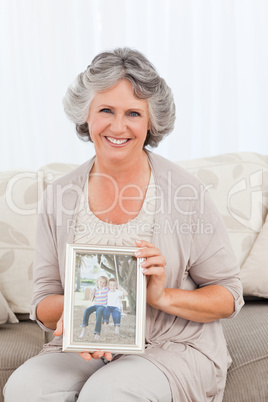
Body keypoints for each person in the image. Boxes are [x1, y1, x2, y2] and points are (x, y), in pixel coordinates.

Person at [4, 47, 244, 402]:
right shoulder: (59, 195)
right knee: (25, 389)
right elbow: (42, 302)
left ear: (151, 122)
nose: (118, 126)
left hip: (170, 347)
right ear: (86, 116)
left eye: (133, 113)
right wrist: (80, 312)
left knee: (108, 394)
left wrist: (160, 296)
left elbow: (228, 296)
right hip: (83, 346)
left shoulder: (187, 193)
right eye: (106, 110)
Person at [79, 275, 108, 340]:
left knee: (99, 312)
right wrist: (92, 293)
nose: (102, 284)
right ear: (97, 282)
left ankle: (97, 333)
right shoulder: (95, 289)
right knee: (87, 310)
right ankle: (84, 328)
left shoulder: (106, 289)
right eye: (100, 282)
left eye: (104, 283)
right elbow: (91, 300)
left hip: (103, 306)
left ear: (106, 284)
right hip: (96, 305)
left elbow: (113, 289)